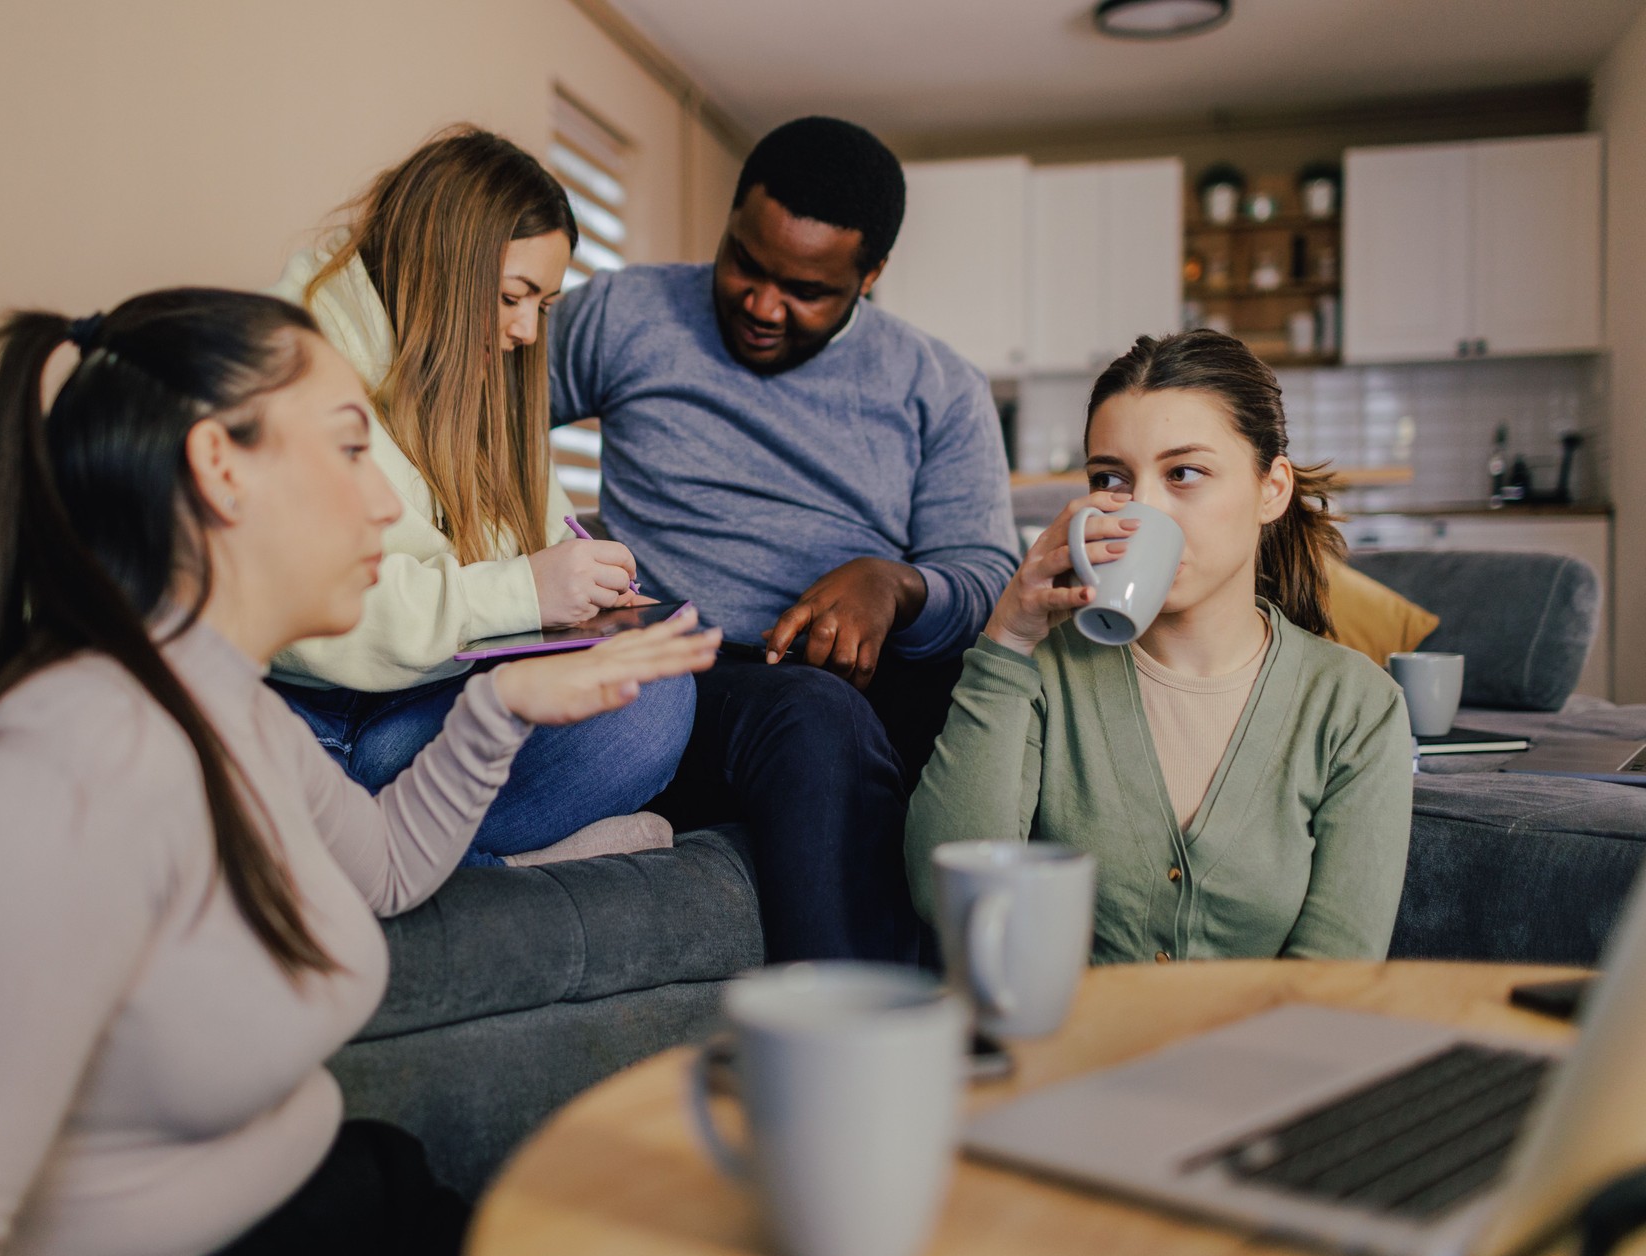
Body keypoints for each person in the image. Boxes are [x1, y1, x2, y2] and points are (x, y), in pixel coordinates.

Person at [0, 289, 719, 1256]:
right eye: (350, 448)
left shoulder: (229, 704)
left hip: (349, 1192)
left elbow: (381, 870)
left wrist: (500, 706)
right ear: (221, 466)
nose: (386, 499)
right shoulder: (61, 775)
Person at [547, 116, 1018, 962]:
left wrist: (894, 585)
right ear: (729, 222)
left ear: (869, 278)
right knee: (812, 716)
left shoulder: (938, 385)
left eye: (806, 290)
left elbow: (984, 575)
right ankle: (851, 1044)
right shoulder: (627, 314)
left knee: (959, 701)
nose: (764, 306)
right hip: (672, 674)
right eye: (746, 266)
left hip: (851, 684)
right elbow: (462, 408)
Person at [904, 330, 1412, 963]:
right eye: (1111, 478)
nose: (1141, 508)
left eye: (1185, 473)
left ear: (1271, 490)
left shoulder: (1356, 707)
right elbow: (943, 897)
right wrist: (1006, 638)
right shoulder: (1039, 672)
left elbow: (1333, 981)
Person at [267, 127, 693, 866]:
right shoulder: (289, 364)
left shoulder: (487, 376)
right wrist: (521, 593)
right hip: (311, 709)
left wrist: (583, 585)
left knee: (651, 691)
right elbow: (300, 612)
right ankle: (466, 858)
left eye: (545, 305)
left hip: (428, 702)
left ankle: (428, 851)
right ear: (438, 266)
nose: (528, 331)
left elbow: (544, 542)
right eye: (512, 297)